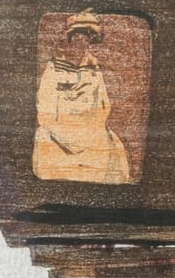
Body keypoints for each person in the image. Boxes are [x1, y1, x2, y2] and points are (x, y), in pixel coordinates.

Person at [32, 11, 131, 184]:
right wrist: (67, 136)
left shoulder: (94, 69)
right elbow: (45, 109)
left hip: (89, 131)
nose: (82, 40)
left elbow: (103, 106)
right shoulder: (54, 68)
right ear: (70, 38)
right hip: (58, 131)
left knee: (109, 152)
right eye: (78, 35)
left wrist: (90, 130)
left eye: (87, 36)